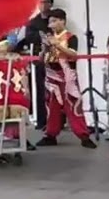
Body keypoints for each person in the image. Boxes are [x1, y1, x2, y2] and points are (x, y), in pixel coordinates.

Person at [38, 8, 96, 149]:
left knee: (73, 104)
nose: (51, 24)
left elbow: (73, 55)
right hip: (51, 75)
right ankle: (50, 134)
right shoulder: (49, 38)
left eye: (54, 21)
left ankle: (83, 135)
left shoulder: (71, 37)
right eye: (50, 21)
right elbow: (42, 58)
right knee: (51, 106)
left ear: (62, 21)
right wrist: (45, 48)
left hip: (67, 76)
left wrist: (57, 45)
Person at [14, 0, 54, 131]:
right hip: (38, 60)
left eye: (46, 2)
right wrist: (42, 38)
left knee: (56, 91)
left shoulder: (56, 18)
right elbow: (29, 38)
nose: (43, 5)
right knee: (39, 91)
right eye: (41, 2)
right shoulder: (32, 22)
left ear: (51, 4)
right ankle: (41, 120)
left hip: (56, 61)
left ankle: (58, 121)